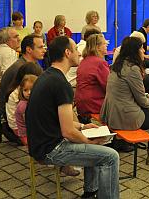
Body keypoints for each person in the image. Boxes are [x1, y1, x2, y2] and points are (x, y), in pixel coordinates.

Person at [26, 36, 120, 199]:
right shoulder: (61, 84)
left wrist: (83, 128)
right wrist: (89, 141)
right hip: (50, 149)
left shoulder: (48, 76)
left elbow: (59, 120)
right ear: (67, 53)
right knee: (110, 156)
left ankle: (90, 192)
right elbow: (68, 131)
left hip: (40, 144)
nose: (79, 53)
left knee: (94, 147)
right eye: (76, 50)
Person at [75, 34, 109, 115]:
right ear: (98, 47)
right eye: (104, 43)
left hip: (81, 105)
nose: (107, 45)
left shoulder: (84, 61)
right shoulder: (100, 63)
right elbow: (109, 86)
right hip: (94, 105)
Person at [15, 74, 38, 146]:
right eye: (25, 90)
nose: (29, 93)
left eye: (32, 89)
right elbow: (29, 123)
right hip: (27, 135)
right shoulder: (23, 105)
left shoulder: (32, 102)